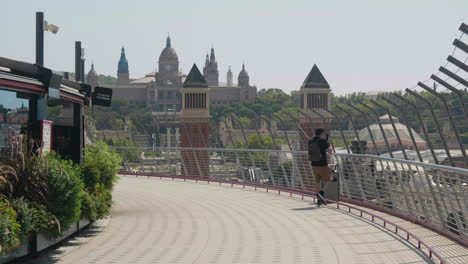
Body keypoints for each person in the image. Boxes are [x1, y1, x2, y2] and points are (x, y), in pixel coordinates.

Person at [308, 128, 332, 206]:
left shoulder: (311, 141)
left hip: (314, 164)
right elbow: (330, 151)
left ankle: (319, 201)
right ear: (322, 134)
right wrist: (328, 142)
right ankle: (321, 193)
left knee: (317, 182)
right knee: (329, 179)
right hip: (322, 164)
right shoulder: (323, 141)